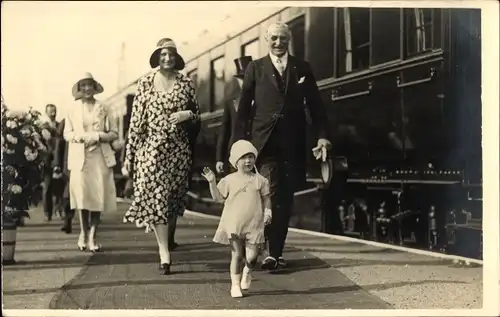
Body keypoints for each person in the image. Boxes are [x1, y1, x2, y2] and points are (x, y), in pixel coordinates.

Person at [233, 22, 332, 271]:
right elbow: (244, 109)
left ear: (289, 40)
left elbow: (317, 105)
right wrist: (239, 145)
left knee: (285, 198)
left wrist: (322, 136)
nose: (279, 43)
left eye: (284, 39)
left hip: (293, 143)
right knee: (271, 194)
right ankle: (266, 249)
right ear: (267, 40)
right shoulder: (255, 68)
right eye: (274, 38)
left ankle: (274, 252)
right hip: (264, 144)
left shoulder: (302, 68)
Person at [121, 38, 200, 275]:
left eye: (171, 54)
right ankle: (164, 252)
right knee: (156, 197)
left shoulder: (186, 83)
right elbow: (136, 123)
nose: (167, 58)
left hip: (178, 150)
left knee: (172, 200)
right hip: (151, 148)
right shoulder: (145, 82)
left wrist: (188, 114)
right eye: (163, 54)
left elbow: (198, 115)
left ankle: (167, 241)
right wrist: (130, 156)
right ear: (157, 56)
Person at [202, 140, 272, 298]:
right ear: (235, 161)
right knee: (237, 255)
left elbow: (267, 198)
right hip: (234, 223)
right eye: (244, 158)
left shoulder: (260, 180)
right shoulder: (228, 180)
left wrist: (268, 212)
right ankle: (235, 285)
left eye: (251, 157)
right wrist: (212, 182)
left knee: (252, 258)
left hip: (254, 223)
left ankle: (248, 271)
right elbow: (218, 198)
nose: (248, 161)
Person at [64, 72, 118, 252]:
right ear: (79, 88)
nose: (87, 88)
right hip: (80, 158)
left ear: (95, 87)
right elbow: (67, 134)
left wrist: (98, 136)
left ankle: (93, 235)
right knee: (81, 196)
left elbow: (114, 133)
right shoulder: (72, 109)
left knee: (97, 196)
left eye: (90, 84)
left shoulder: (105, 106)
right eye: (83, 85)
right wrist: (81, 137)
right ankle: (83, 233)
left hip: (100, 158)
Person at [215, 56, 253, 174]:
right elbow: (224, 131)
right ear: (238, 80)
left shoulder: (262, 99)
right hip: (237, 154)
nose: (244, 81)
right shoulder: (231, 101)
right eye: (241, 79)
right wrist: (220, 158)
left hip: (257, 153)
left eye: (247, 78)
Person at [41, 104, 65, 221]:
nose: (53, 113)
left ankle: (59, 210)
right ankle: (47, 212)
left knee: (59, 186)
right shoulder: (43, 127)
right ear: (46, 112)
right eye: (50, 111)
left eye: (54, 111)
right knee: (48, 186)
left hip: (58, 160)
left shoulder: (60, 125)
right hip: (47, 161)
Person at [53, 118, 75, 234]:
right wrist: (57, 165)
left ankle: (87, 221)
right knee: (68, 194)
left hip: (84, 163)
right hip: (68, 165)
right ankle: (67, 220)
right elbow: (59, 146)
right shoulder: (66, 120)